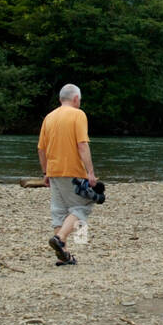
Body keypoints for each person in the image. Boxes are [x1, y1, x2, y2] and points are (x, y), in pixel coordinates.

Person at [37, 83, 98, 266]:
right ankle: (61, 238)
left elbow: (41, 149)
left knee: (59, 211)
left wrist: (45, 171)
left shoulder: (49, 117)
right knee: (82, 206)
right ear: (76, 99)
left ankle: (63, 253)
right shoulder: (78, 115)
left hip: (54, 171)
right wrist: (90, 172)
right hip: (74, 171)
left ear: (60, 99)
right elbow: (82, 144)